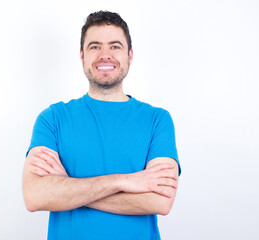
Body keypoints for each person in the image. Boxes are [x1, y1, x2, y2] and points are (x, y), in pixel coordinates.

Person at [23, 10, 181, 240]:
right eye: (95, 46)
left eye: (115, 46)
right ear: (82, 55)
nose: (105, 55)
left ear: (130, 55)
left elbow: (161, 200)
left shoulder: (157, 120)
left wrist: (67, 188)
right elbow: (35, 196)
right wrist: (124, 181)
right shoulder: (53, 118)